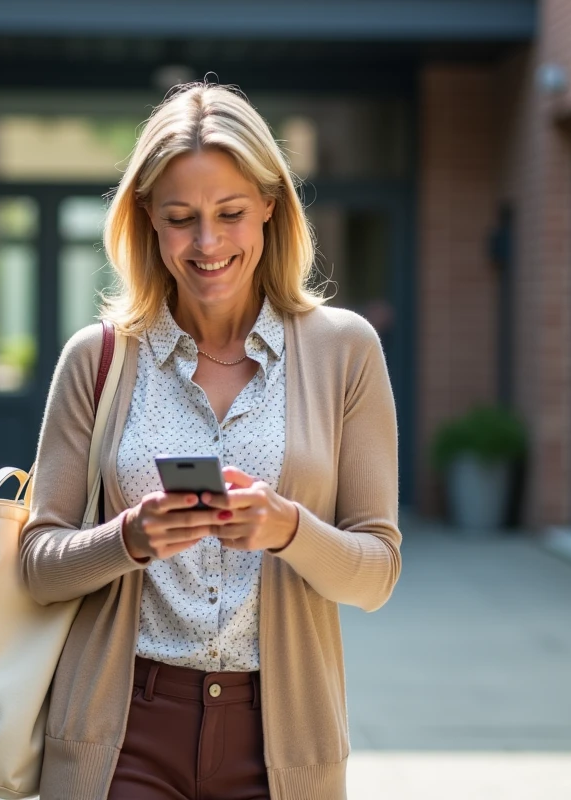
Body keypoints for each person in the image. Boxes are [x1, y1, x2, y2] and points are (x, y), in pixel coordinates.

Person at [21, 83, 402, 800]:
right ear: (147, 222)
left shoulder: (345, 351)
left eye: (229, 213)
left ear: (269, 205)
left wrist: (289, 528)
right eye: (180, 218)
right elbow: (38, 566)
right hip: (119, 731)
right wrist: (130, 536)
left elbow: (377, 573)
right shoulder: (98, 359)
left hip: (281, 738)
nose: (207, 244)